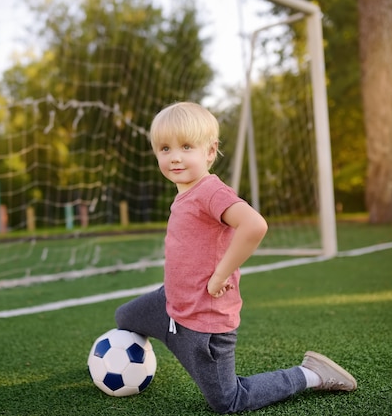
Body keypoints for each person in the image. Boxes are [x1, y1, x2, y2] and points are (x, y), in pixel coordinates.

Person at [115, 102, 356, 414]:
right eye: (164, 148)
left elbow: (255, 225)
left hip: (204, 326)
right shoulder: (185, 192)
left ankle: (310, 374)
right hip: (168, 305)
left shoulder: (210, 192)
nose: (174, 156)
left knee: (228, 401)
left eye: (186, 146)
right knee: (124, 318)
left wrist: (219, 275)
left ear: (210, 152)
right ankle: (128, 365)